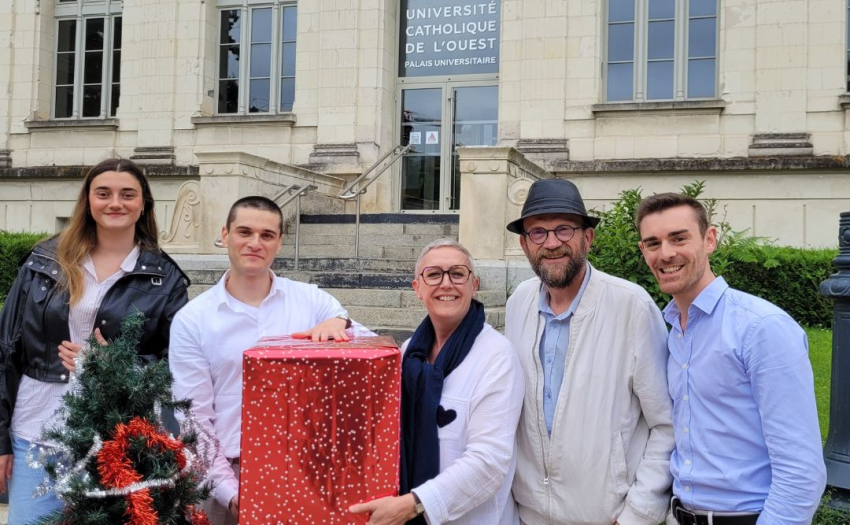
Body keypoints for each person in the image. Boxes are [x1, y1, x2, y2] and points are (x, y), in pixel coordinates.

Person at [0, 158, 189, 524]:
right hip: (37, 429)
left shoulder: (164, 278)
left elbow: (177, 365)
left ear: (144, 203)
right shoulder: (43, 261)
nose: (115, 203)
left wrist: (113, 364)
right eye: (103, 193)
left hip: (116, 440)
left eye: (127, 194)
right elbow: (6, 351)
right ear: (88, 200)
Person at [169, 195, 371, 525]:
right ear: (225, 235)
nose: (254, 243)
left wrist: (343, 324)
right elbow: (194, 421)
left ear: (278, 242)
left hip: (307, 470)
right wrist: (232, 495)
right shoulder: (193, 319)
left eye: (266, 235)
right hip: (229, 475)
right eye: (244, 232)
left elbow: (373, 348)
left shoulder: (311, 300)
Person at [635, 193, 826, 525]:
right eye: (653, 243)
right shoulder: (672, 334)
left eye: (679, 238)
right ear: (643, 251)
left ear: (710, 239)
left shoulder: (761, 328)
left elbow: (801, 469)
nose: (665, 253)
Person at [504, 179, 674, 525]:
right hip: (528, 516)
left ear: (588, 237)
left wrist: (637, 515)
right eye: (538, 233)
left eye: (564, 230)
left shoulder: (632, 306)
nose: (552, 243)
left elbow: (667, 424)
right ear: (524, 245)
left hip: (606, 518)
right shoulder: (518, 302)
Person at [350, 239, 524, 525]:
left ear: (474, 285)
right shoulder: (408, 353)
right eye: (433, 274)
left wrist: (415, 503)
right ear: (417, 288)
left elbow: (490, 461)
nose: (446, 283)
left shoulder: (497, 356)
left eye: (457, 273)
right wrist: (335, 322)